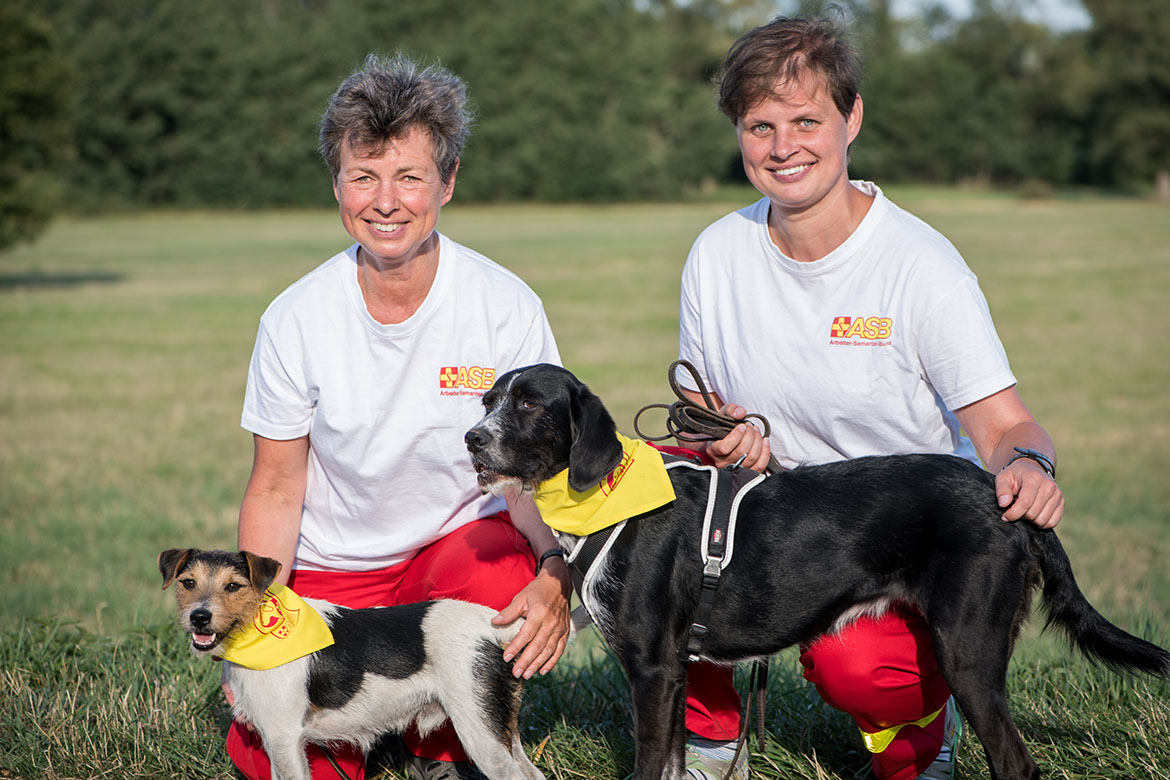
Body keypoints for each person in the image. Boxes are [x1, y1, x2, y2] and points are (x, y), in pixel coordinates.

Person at [674, 13, 1064, 780]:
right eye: (760, 126)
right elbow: (703, 414)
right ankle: (708, 740)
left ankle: (921, 746)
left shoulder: (920, 265)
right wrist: (723, 437)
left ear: (851, 118)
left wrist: (1030, 468)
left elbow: (1006, 424)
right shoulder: (716, 254)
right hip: (772, 517)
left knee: (857, 667)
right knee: (654, 506)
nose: (783, 147)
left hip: (894, 534)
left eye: (805, 120)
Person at [227, 53, 571, 780]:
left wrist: (552, 572)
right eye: (364, 177)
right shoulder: (295, 318)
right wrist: (258, 627)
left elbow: (533, 475)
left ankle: (443, 749)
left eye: (410, 177)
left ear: (446, 183)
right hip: (333, 580)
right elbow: (277, 486)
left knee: (499, 575)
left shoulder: (503, 304)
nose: (386, 201)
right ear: (337, 185)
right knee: (267, 757)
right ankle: (372, 728)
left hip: (449, 555)